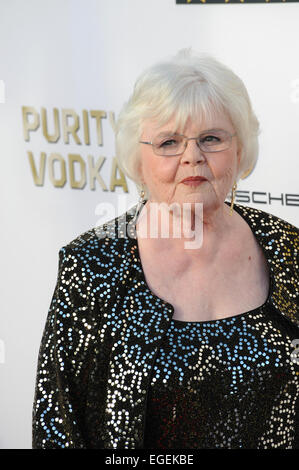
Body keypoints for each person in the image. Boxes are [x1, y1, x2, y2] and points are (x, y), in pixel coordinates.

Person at [32, 50, 299, 449]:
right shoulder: (91, 266)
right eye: (168, 142)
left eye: (211, 138)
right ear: (138, 162)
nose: (192, 156)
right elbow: (58, 427)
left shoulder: (287, 248)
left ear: (240, 150)